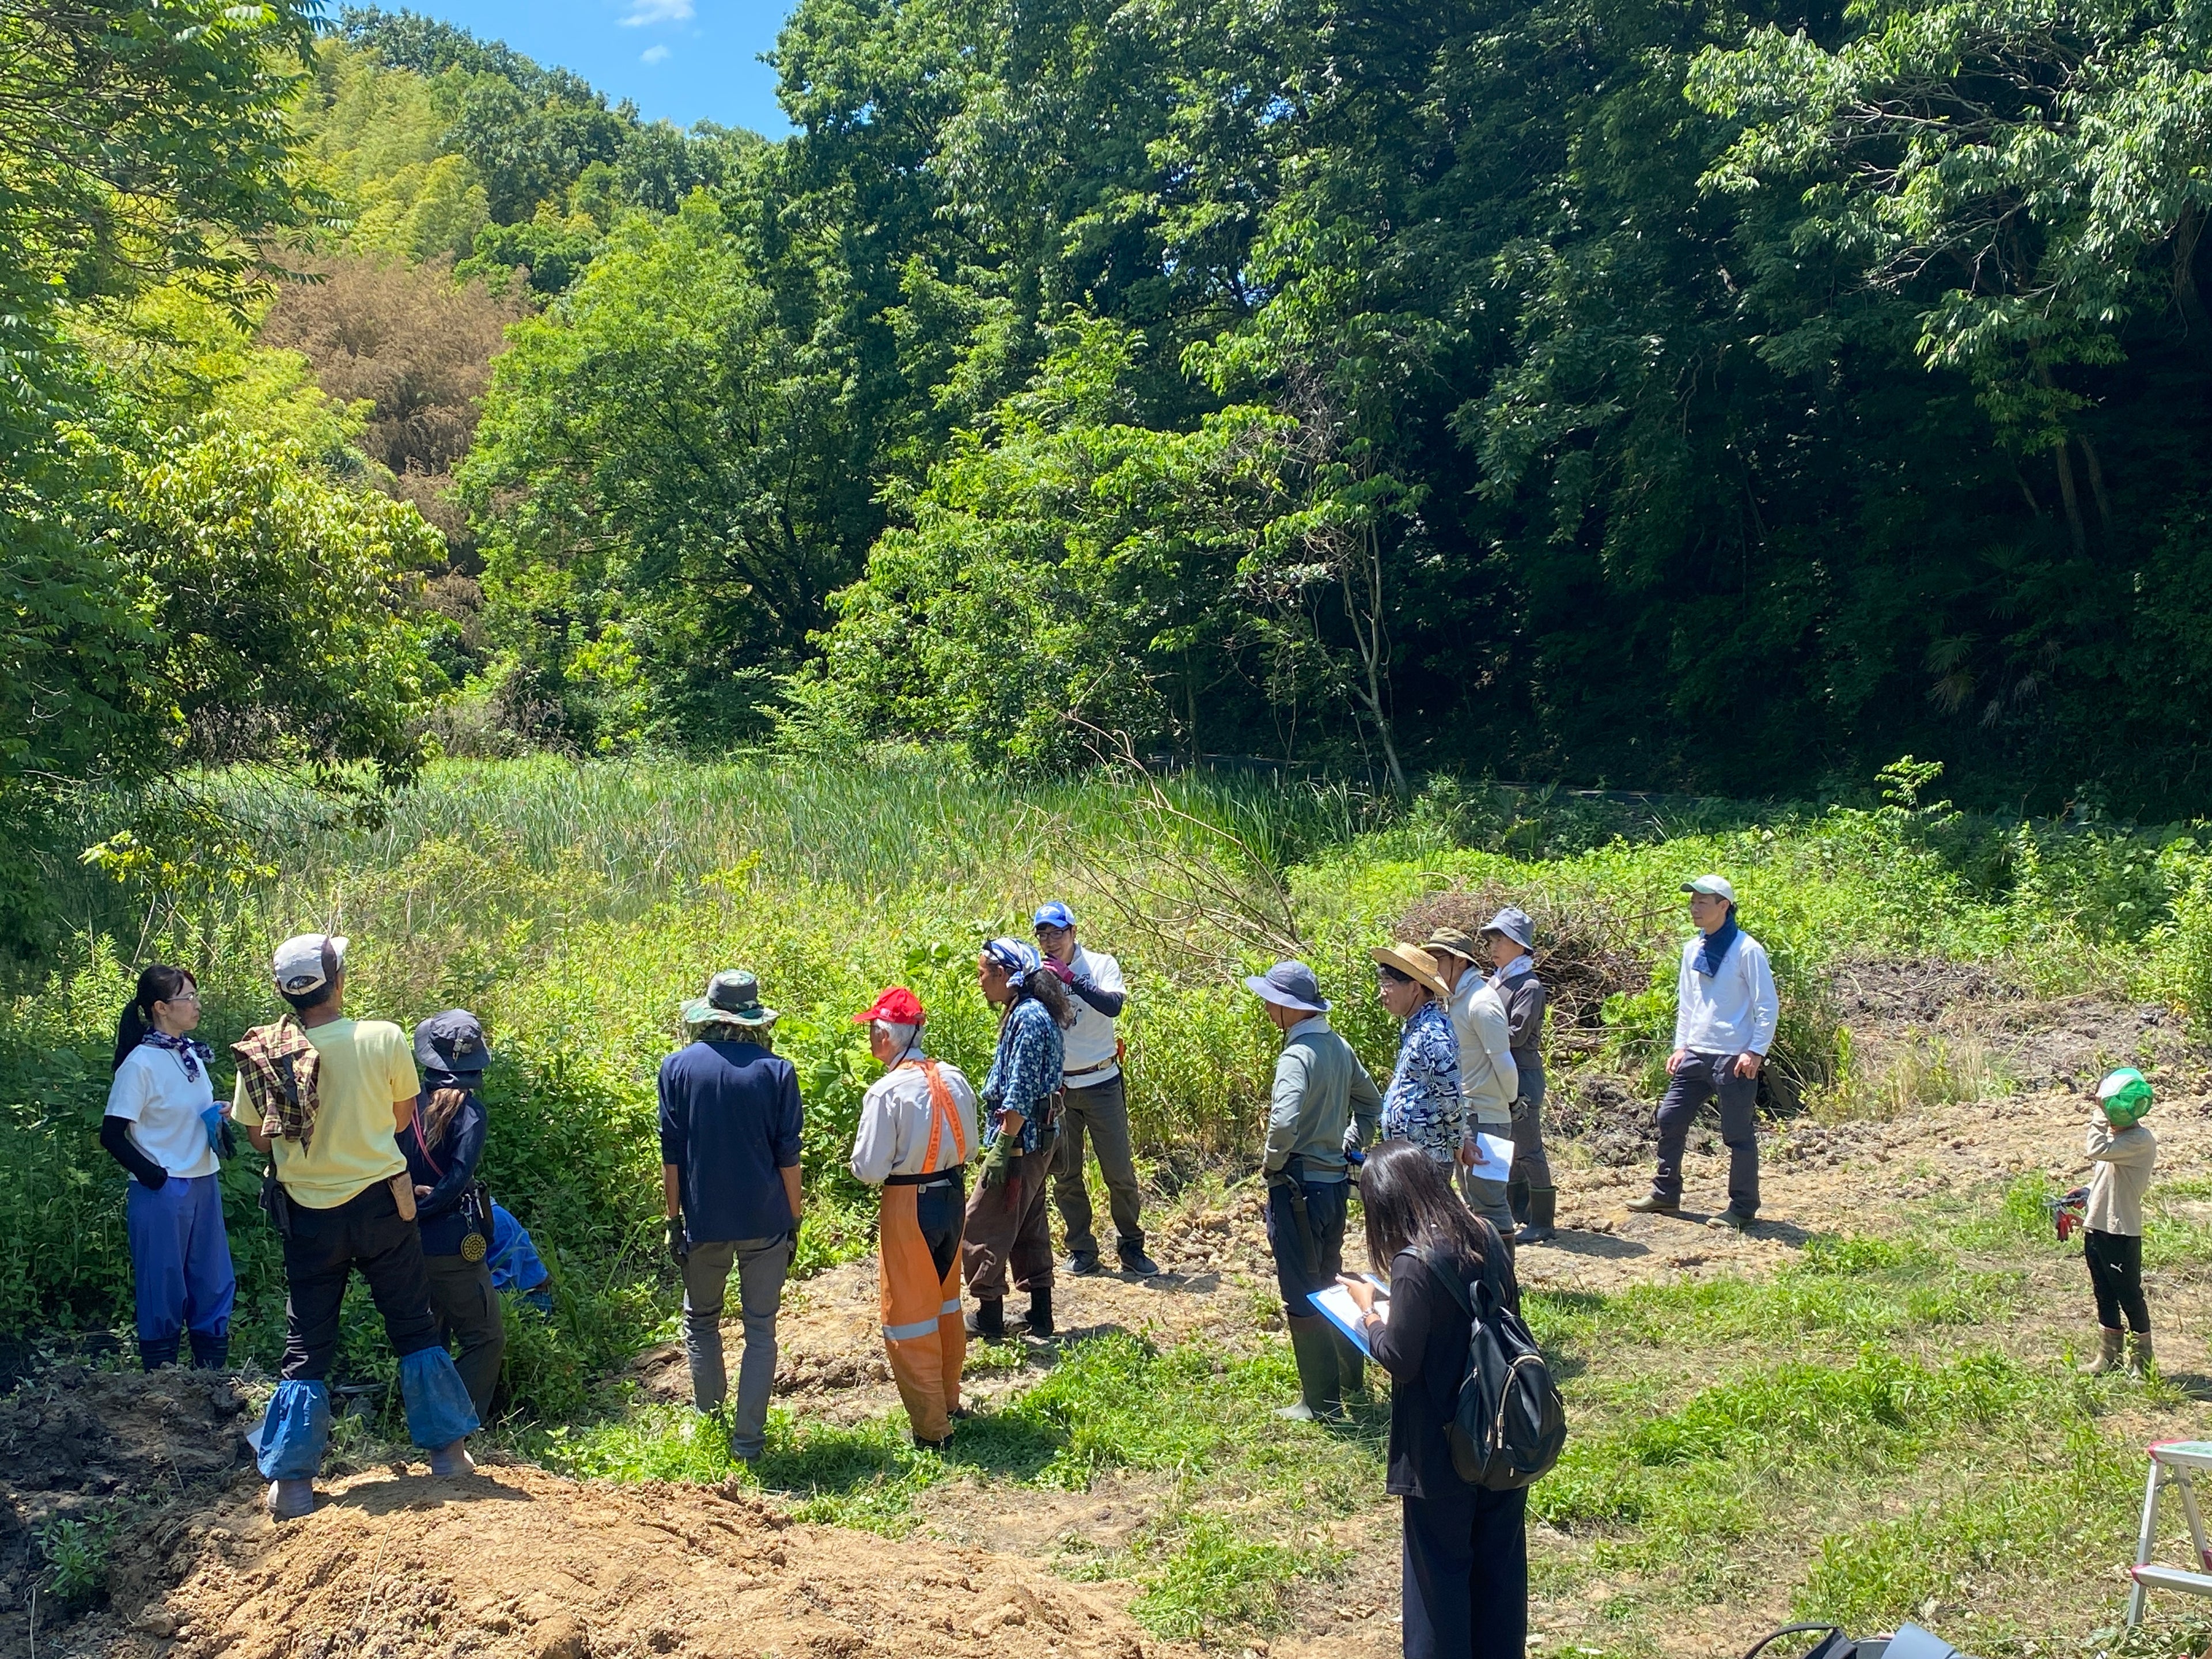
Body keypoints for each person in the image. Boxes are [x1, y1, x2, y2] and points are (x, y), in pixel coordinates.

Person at [234, 934, 479, 1520]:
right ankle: (447, 1454)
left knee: (307, 1342)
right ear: (338, 980)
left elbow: (257, 1138)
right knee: (413, 1323)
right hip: (381, 1207)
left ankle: (292, 1484)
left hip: (308, 1216)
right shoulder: (383, 1037)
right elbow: (401, 1121)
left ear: (284, 993)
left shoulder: (267, 1053)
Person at [1336, 1141, 1528, 1659]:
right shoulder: (1485, 1234)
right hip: (1501, 1434)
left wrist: (1368, 1313)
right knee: (1500, 1575)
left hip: (1441, 1453)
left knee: (1437, 1584)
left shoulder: (1413, 1261)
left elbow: (1400, 1357)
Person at [658, 969, 802, 1463]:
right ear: (754, 1020)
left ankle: (709, 1423)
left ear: (708, 1018)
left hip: (704, 1220)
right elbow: (789, 1157)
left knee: (702, 1321)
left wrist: (673, 1219)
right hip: (765, 1218)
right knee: (761, 1328)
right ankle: (748, 1443)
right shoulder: (777, 1071)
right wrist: (794, 1221)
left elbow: (671, 1154)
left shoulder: (676, 1068)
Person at [1245, 960, 1382, 1421]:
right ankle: (1350, 1382)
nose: (1266, 1006)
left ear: (1290, 1008)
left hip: (1297, 1188)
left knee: (1300, 1293)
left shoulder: (1296, 1056)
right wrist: (1352, 1142)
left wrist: (1271, 1163)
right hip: (1333, 1190)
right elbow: (1371, 1103)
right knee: (1329, 1280)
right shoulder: (1338, 1047)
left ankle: (1319, 1402)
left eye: (1272, 1000)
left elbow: (1283, 1123)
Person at [849, 986, 980, 1449]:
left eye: (872, 1031)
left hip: (909, 1203)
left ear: (887, 1037)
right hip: (953, 1196)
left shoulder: (885, 1092)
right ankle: (949, 1402)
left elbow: (868, 1170)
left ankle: (932, 1431)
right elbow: (975, 1144)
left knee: (907, 1317)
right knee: (946, 1304)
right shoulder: (955, 1077)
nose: (870, 1039)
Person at [104, 964, 236, 1372]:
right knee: (163, 1286)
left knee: (212, 1282)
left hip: (202, 1182)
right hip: (162, 1191)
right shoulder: (140, 1064)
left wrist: (217, 1116)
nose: (196, 1005)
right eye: (188, 998)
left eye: (196, 996)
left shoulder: (190, 1053)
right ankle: (161, 1386)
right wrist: (153, 1175)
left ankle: (211, 1382)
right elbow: (111, 1134)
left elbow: (182, 1112)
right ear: (161, 1008)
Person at [1628, 875, 1778, 1232]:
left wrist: (1755, 1051)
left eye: (1702, 903)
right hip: (1696, 1053)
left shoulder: (1747, 950)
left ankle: (1742, 1208)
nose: (1694, 909)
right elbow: (1688, 1003)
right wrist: (1681, 1046)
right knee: (1669, 1118)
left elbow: (1766, 1004)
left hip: (1734, 1057)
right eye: (1693, 902)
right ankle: (1666, 1193)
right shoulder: (1692, 949)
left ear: (1724, 907)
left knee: (1737, 1134)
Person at [1035, 902, 1158, 1279]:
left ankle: (1132, 1246)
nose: (1050, 941)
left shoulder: (1101, 965)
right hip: (1062, 1088)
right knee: (1066, 1173)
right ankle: (1082, 1249)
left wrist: (1071, 978)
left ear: (1073, 932)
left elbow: (1113, 1005)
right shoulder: (1039, 975)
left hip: (1102, 1081)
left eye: (1057, 932)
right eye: (1043, 933)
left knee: (1118, 1170)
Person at [962, 937, 1073, 1340]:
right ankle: (1040, 1315)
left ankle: (989, 1316)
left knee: (981, 1223)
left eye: (982, 974)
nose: (980, 982)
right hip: (1037, 1138)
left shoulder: (1028, 1018)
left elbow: (1020, 1092)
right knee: (1028, 1223)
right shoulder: (1028, 1012)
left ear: (1005, 975)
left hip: (1022, 1140)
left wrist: (1001, 1149)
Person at [400, 1009, 505, 1424]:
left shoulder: (401, 1104)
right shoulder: (470, 1113)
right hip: (452, 1246)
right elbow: (459, 1178)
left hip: (405, 1240)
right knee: (485, 1338)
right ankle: (457, 1424)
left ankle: (423, 1422)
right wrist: (426, 1206)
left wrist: (406, 1209)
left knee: (430, 1338)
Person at [1422, 928, 1518, 1240]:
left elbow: (1503, 1060)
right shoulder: (1456, 1000)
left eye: (1439, 958)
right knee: (1473, 1202)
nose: (1433, 965)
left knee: (1490, 1201)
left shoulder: (1480, 1002)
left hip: (1488, 1116)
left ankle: (1504, 1285)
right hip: (1467, 1116)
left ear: (1459, 962)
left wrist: (1511, 1102)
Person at [1371, 942, 1471, 1194]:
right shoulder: (1415, 1027)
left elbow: (1450, 1095)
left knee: (1428, 1226)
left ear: (1414, 988)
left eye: (1388, 985)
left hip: (1427, 1156)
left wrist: (1459, 1143)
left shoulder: (1433, 1032)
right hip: (1410, 1155)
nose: (1382, 994)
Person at [1480, 908, 1555, 1245]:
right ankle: (1517, 1211)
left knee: (1528, 1149)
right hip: (1500, 1073)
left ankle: (1543, 1220)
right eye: (1493, 940)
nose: (1494, 947)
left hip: (1522, 1076)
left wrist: (1477, 1034)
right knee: (1505, 1148)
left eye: (1502, 940)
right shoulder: (1496, 982)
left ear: (1521, 946)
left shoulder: (1529, 985)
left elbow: (1516, 1035)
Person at [2079, 1067, 2158, 1376]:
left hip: (2121, 1230)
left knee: (2129, 1293)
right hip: (2098, 1226)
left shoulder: (2140, 1140)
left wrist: (2099, 1115)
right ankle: (2108, 1357)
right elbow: (2109, 1181)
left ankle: (2142, 1362)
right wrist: (2084, 1194)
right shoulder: (2119, 1140)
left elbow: (2095, 1149)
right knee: (2104, 1292)